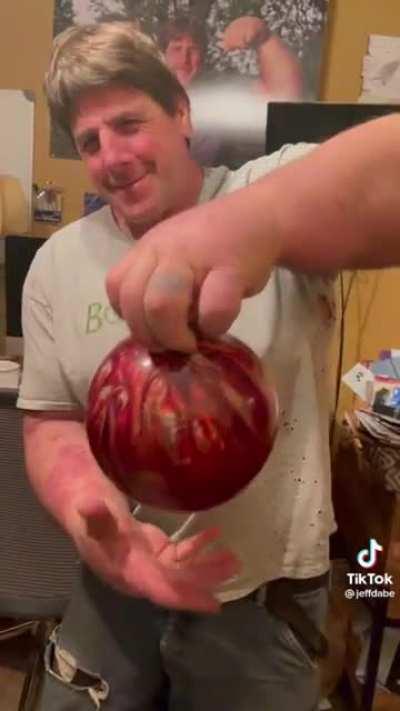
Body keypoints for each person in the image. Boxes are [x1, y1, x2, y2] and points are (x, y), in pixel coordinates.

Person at [18, 19, 400, 711]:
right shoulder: (56, 265)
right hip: (115, 586)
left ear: (182, 114)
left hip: (262, 602)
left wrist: (259, 222)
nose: (112, 156)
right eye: (90, 141)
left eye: (129, 122)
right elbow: (51, 423)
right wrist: (89, 511)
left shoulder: (273, 186)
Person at [157, 13, 303, 167]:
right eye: (176, 48)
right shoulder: (145, 95)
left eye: (193, 49)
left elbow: (283, 93)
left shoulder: (219, 92)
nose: (184, 58)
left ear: (203, 56)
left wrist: (265, 39)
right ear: (163, 54)